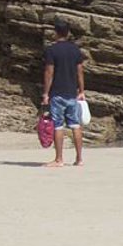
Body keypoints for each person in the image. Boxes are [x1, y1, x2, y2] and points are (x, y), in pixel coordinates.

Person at [41, 19, 88, 167]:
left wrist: (46, 93)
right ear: (68, 33)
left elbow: (49, 72)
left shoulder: (52, 50)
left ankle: (59, 159)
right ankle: (79, 159)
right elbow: (80, 72)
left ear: (55, 33)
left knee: (58, 126)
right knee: (75, 124)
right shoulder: (75, 50)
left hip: (57, 93)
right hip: (72, 93)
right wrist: (81, 91)